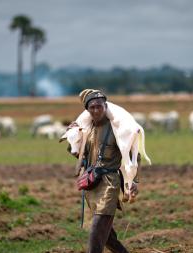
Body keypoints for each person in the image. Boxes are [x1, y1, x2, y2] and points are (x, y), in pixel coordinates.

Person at [71, 89, 139, 253]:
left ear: (105, 106)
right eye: (92, 107)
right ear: (87, 110)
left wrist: (134, 181)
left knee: (96, 233)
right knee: (107, 237)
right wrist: (74, 135)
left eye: (99, 106)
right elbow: (77, 154)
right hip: (91, 186)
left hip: (109, 185)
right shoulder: (87, 130)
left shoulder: (118, 130)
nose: (96, 110)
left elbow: (134, 157)